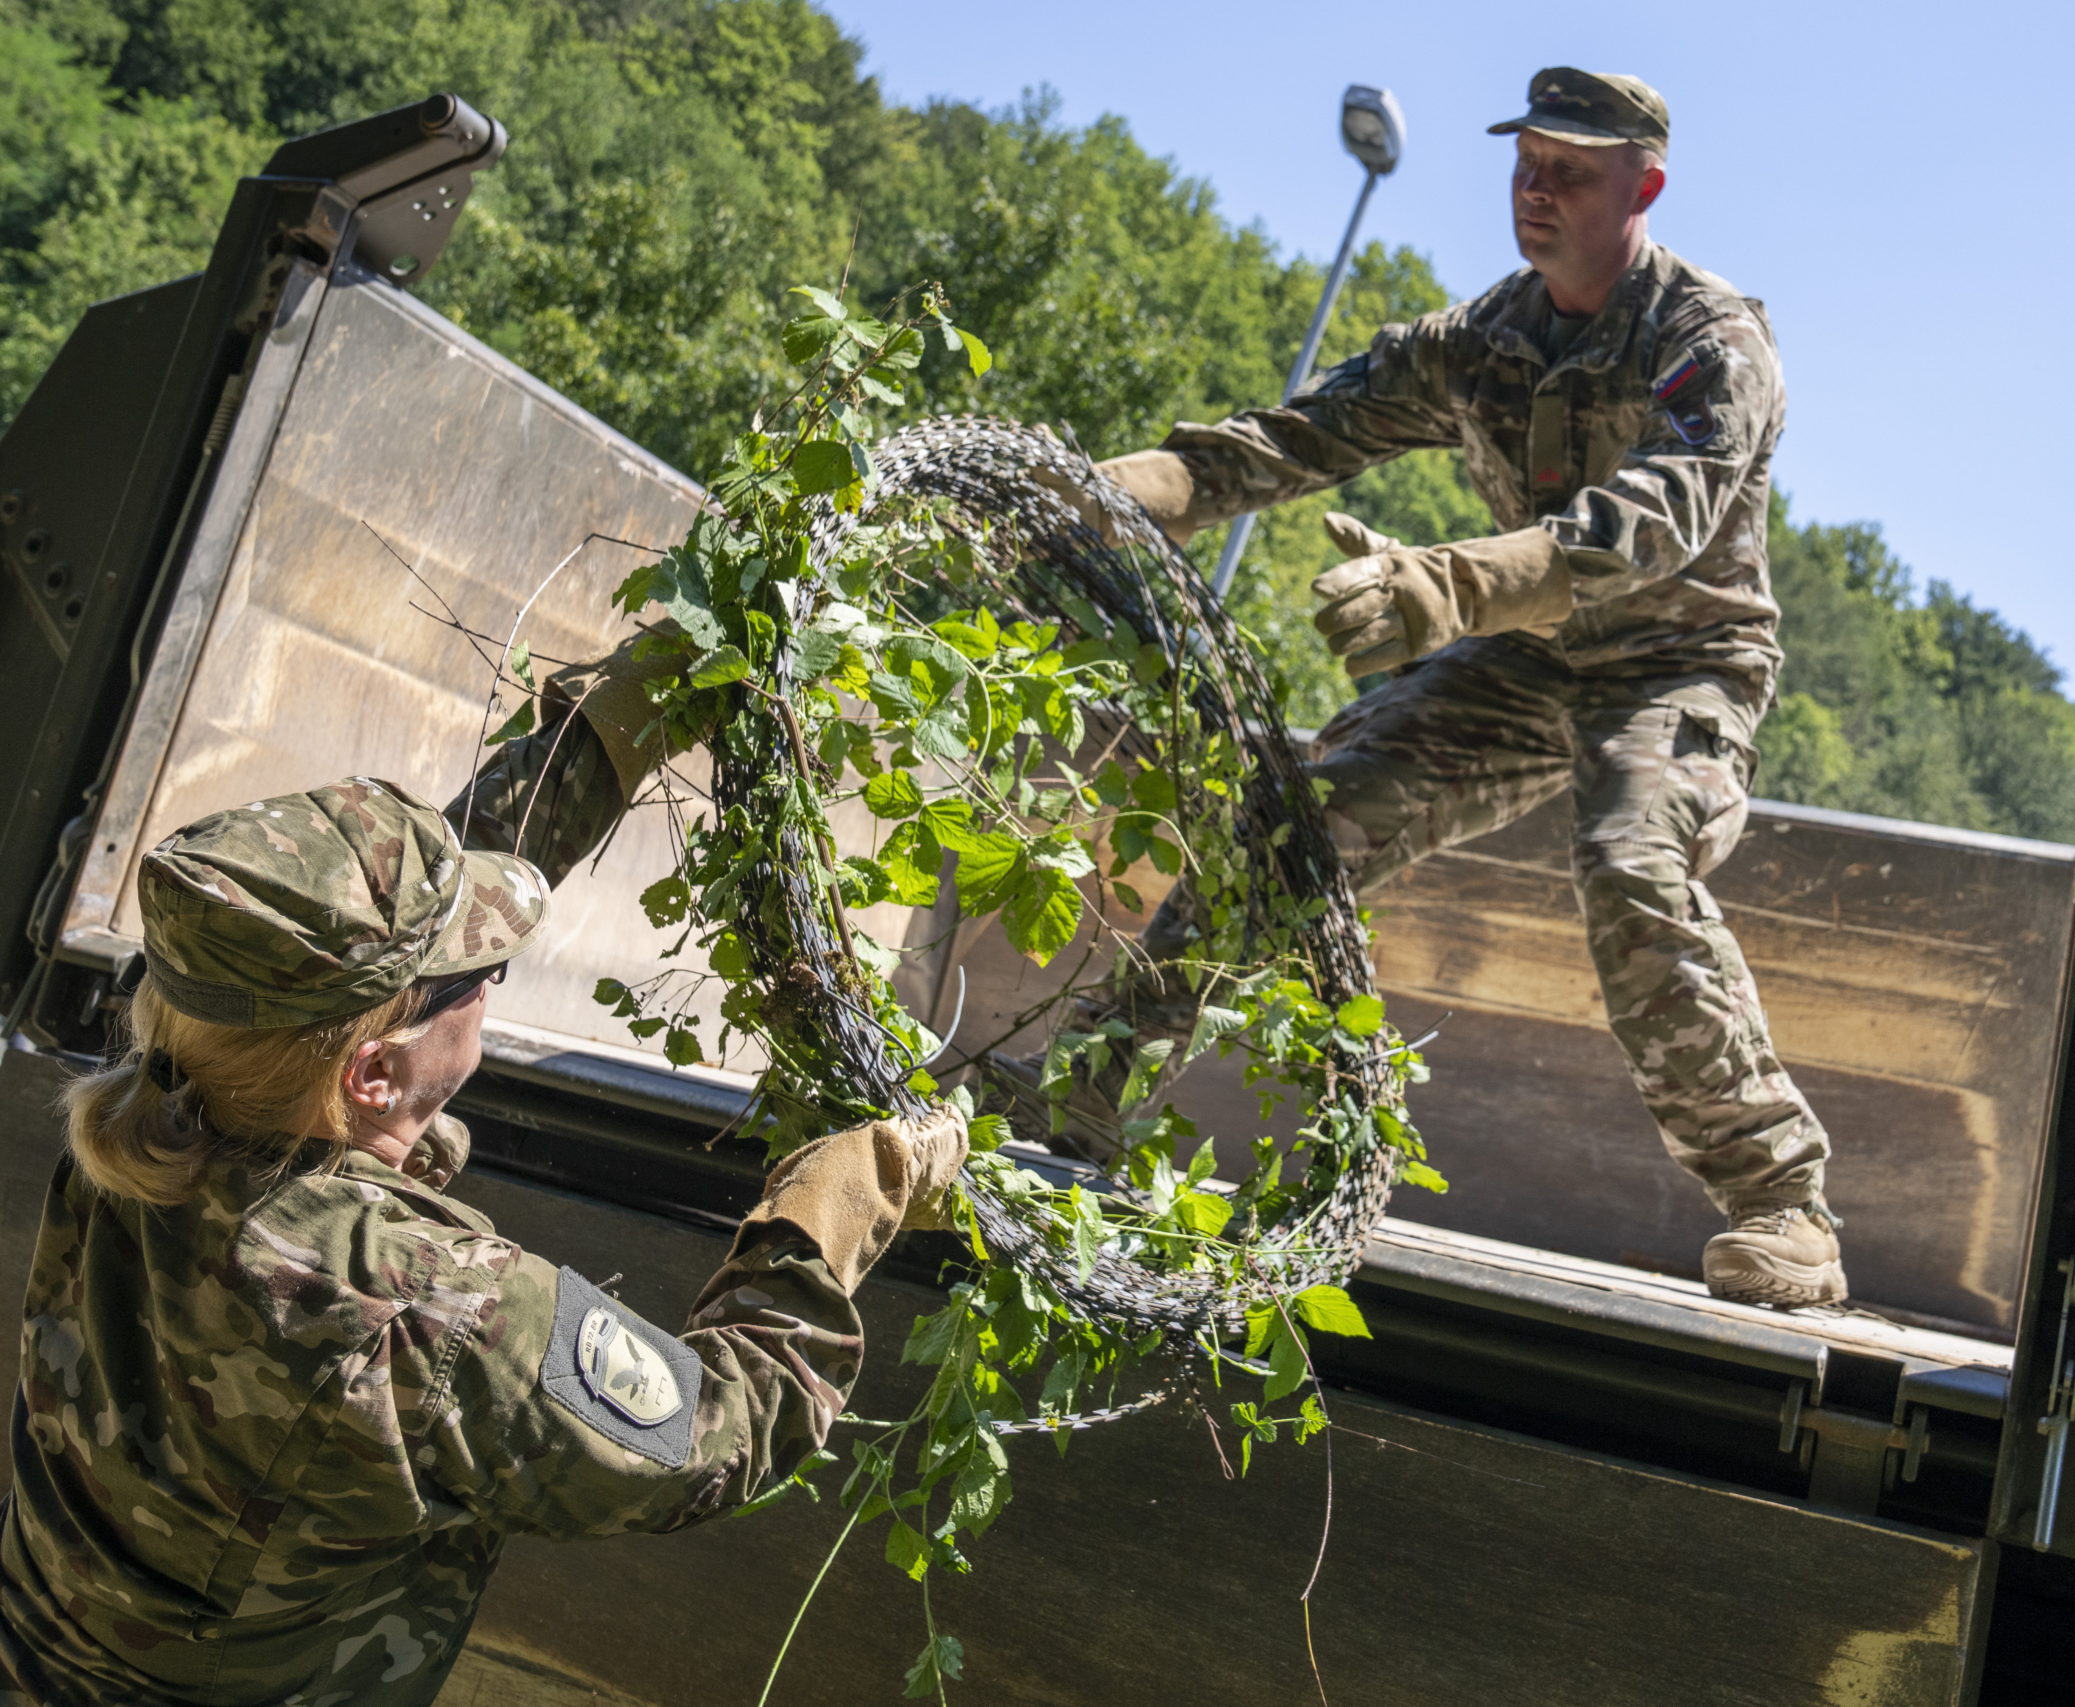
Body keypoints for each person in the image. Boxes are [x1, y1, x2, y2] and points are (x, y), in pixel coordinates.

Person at [1018, 67, 1846, 1309]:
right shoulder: (1477, 343)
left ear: (1643, 189)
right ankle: (1085, 1092)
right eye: (1526, 163)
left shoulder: (1711, 341)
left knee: (1631, 862)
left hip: (1678, 667)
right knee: (1299, 821)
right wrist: (1116, 495)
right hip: (1522, 657)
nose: (1535, 190)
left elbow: (1655, 520)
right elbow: (1295, 438)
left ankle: (1783, 1207)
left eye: (1570, 172)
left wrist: (1447, 586)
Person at [0, 656, 966, 1705]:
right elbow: (714, 1434)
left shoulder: (164, 1092)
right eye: (475, 974)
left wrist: (602, 738)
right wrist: (843, 1198)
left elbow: (384, 917)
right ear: (373, 1075)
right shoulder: (417, 1306)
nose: (495, 974)